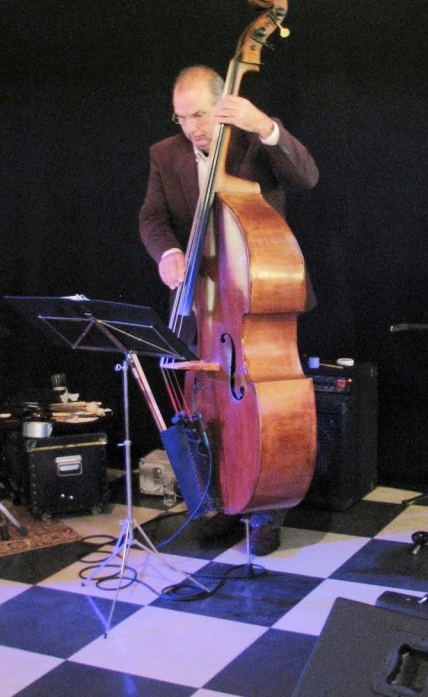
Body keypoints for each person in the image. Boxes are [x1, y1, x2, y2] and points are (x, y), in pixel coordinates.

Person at [138, 65, 319, 556]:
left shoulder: (253, 139)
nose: (191, 128)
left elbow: (307, 176)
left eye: (199, 115)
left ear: (223, 105)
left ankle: (266, 511)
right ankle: (220, 499)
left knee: (263, 407)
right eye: (181, 118)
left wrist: (266, 126)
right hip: (204, 303)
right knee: (208, 406)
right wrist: (168, 253)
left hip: (257, 295)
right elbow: (152, 217)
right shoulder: (164, 154)